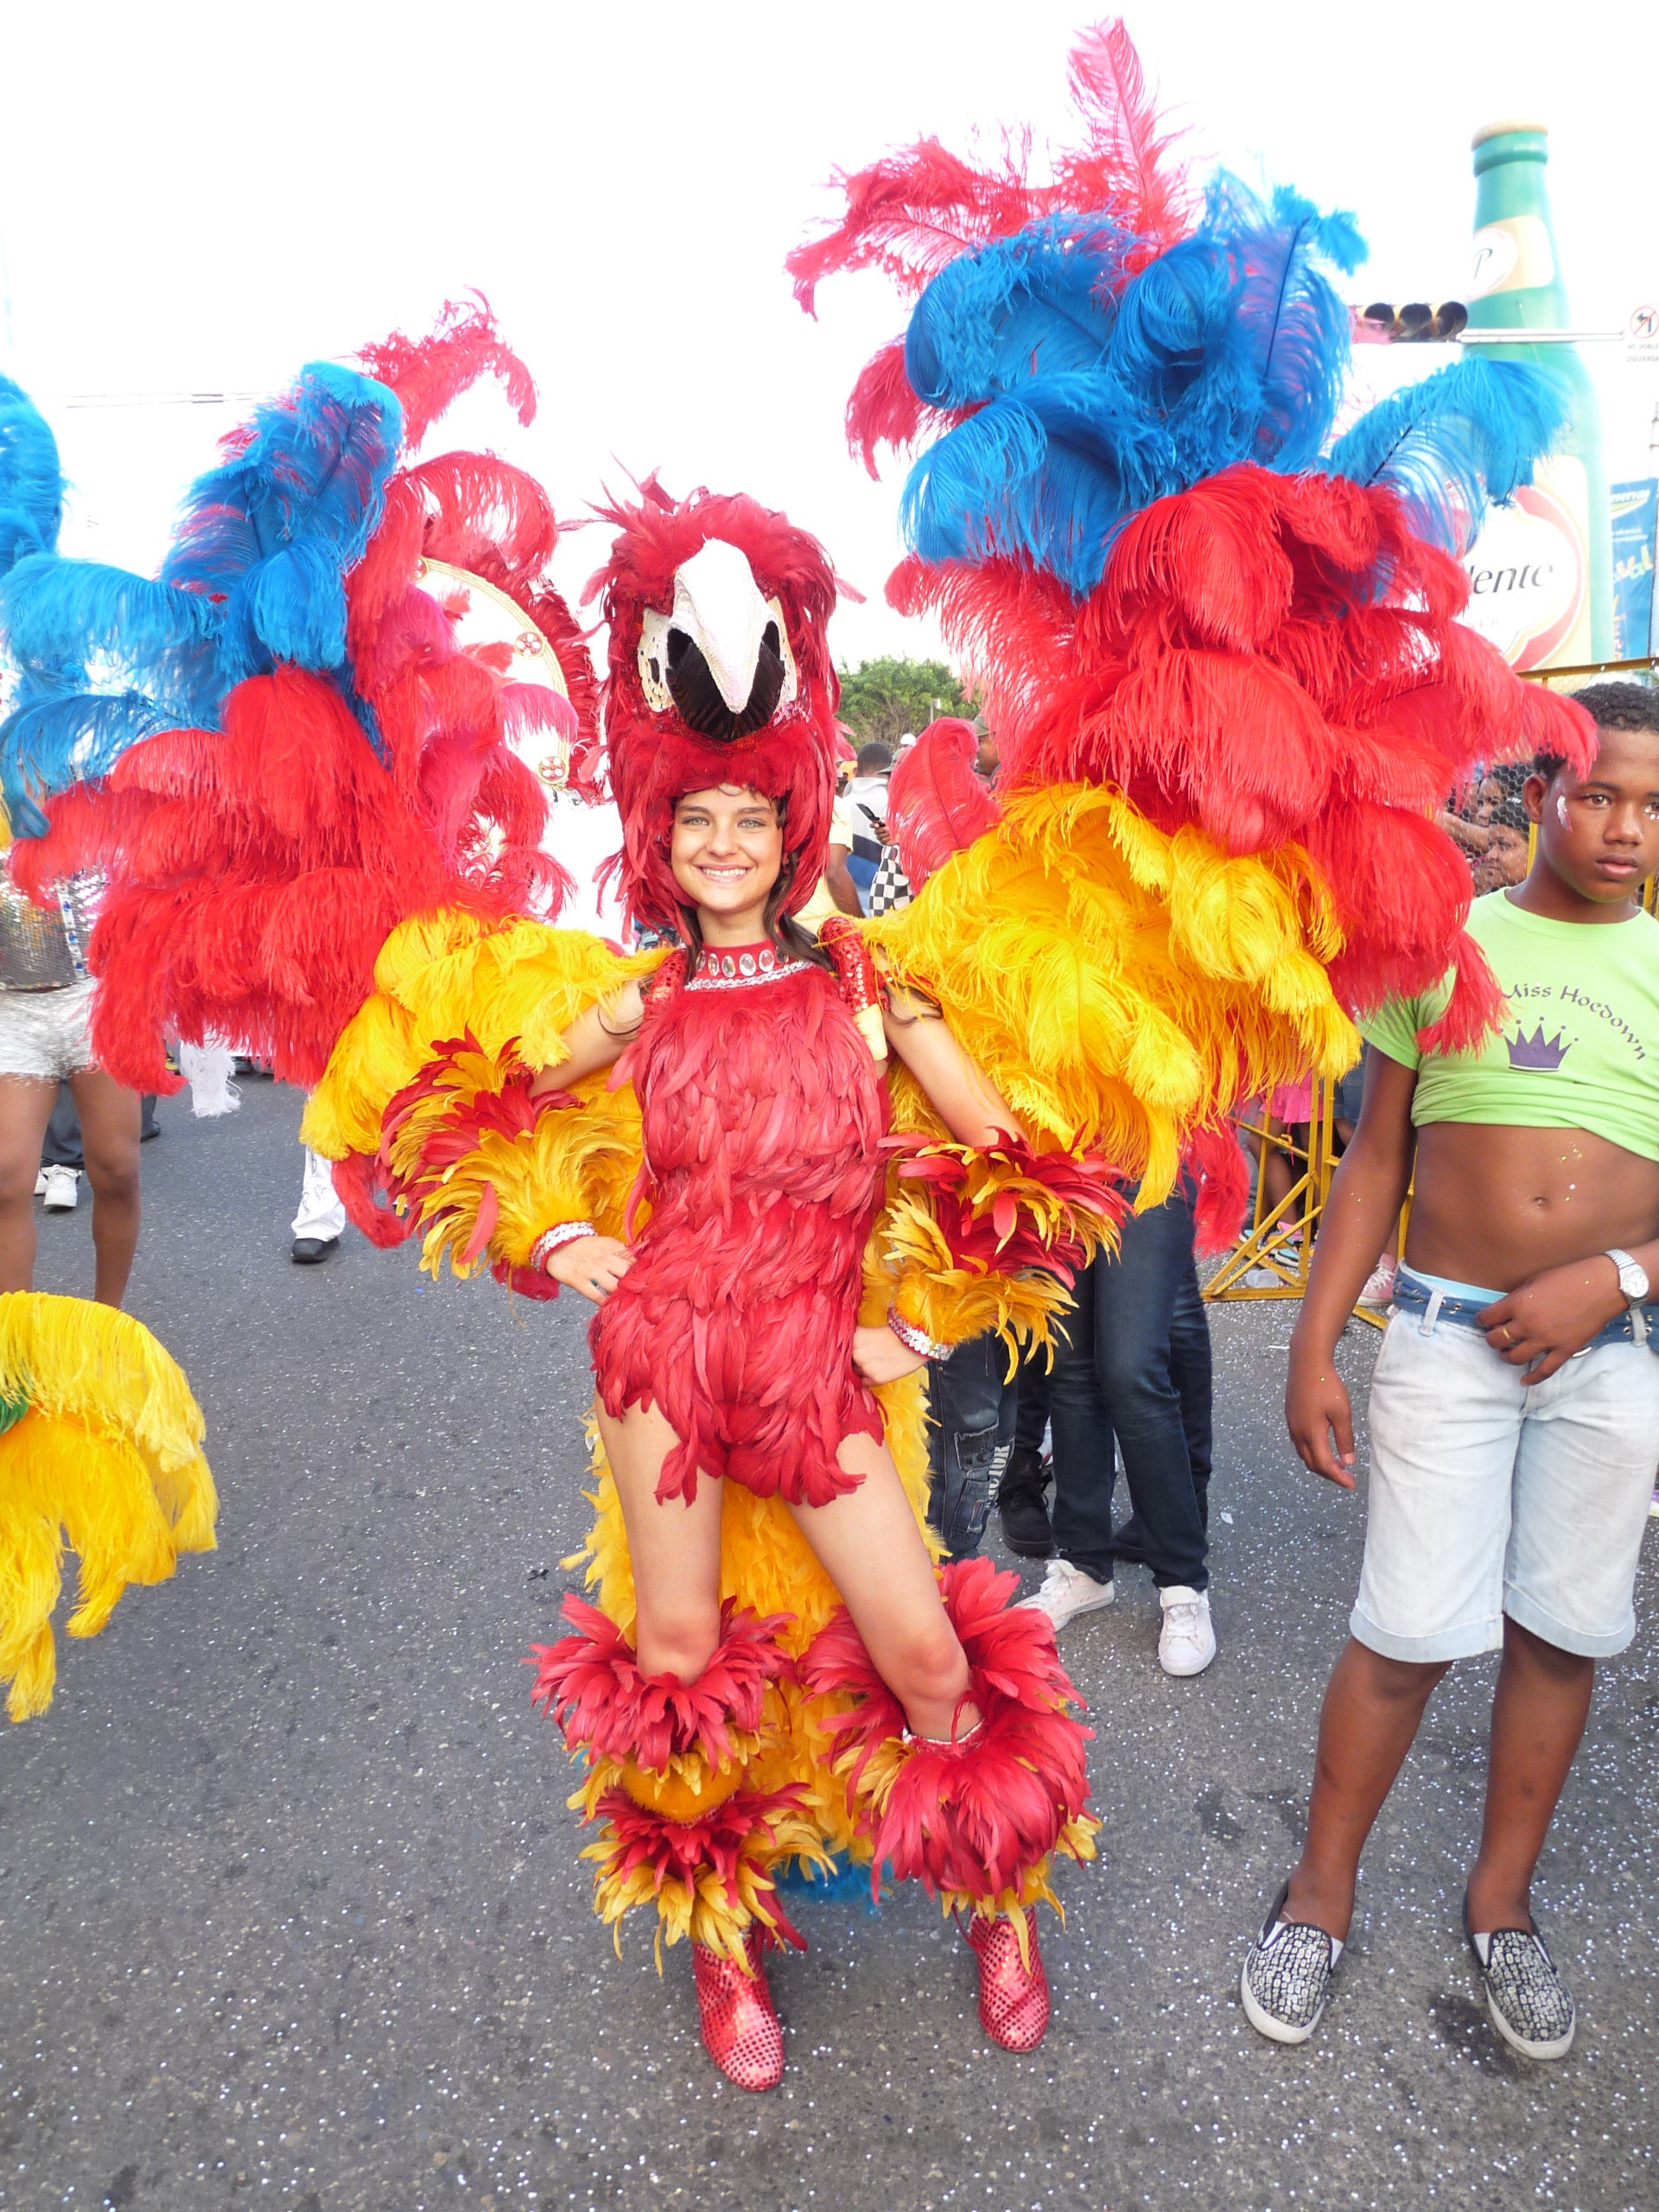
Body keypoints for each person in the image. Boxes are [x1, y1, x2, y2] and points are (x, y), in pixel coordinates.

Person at [520, 777, 1101, 2085]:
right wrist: (555, 1232)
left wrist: (932, 1325)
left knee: (929, 1661)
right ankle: (723, 1940)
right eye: (696, 823)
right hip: (661, 1352)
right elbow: (487, 1103)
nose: (723, 845)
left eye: (750, 821)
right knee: (672, 1657)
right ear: (661, 849)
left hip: (813, 1362)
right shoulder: (646, 995)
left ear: (794, 845)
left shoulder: (863, 982)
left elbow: (1010, 1158)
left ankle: (998, 1898)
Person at [1241, 683, 1659, 2061]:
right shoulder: (1448, 946)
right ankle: (1319, 1895)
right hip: (1443, 1335)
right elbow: (1375, 1157)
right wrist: (1315, 1338)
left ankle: (1504, 1907)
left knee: (1563, 1632)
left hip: (1614, 1352)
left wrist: (1620, 1277)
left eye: (1653, 808)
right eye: (1599, 794)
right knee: (1408, 1631)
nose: (1623, 828)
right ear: (1539, 792)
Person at [1022, 1178, 1217, 1675]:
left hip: (1146, 1147)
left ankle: (1182, 1583)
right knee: (1069, 1368)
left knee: (1132, 1371)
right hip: (1057, 1153)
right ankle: (1084, 1562)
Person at [0, 867, 143, 1306]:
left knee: (117, 1169)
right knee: (5, 1177)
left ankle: (107, 1323)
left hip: (98, 998)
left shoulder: (98, 796)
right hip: (11, 1009)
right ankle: (15, 1348)